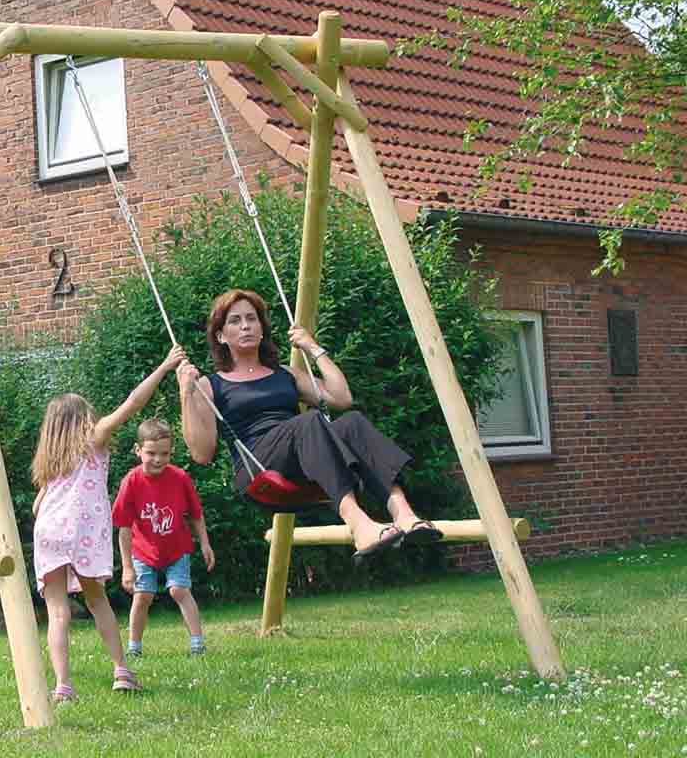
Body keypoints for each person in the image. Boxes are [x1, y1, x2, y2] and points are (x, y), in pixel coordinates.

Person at [176, 289, 443, 564]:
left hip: (301, 455)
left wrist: (313, 348)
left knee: (352, 422)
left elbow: (342, 398)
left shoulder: (285, 373)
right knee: (308, 422)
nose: (245, 326)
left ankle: (404, 514)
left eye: (252, 319)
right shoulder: (211, 384)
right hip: (258, 466)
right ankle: (359, 524)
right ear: (221, 336)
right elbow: (201, 453)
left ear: (261, 328)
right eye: (235, 321)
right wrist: (186, 393)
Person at [30, 345, 185, 704]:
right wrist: (163, 367)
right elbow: (132, 404)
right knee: (97, 601)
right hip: (83, 533)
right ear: (83, 420)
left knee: (57, 611)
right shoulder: (93, 441)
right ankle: (121, 671)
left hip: (49, 532)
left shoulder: (51, 462)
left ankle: (63, 687)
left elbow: (39, 508)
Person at [113, 417, 215, 657]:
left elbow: (196, 514)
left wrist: (205, 544)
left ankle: (198, 644)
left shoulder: (180, 478)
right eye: (151, 453)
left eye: (165, 454)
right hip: (143, 550)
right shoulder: (132, 481)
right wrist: (127, 567)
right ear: (138, 451)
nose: (158, 459)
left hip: (176, 547)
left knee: (179, 590)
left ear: (171, 452)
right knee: (143, 595)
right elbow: (124, 527)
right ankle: (134, 648)